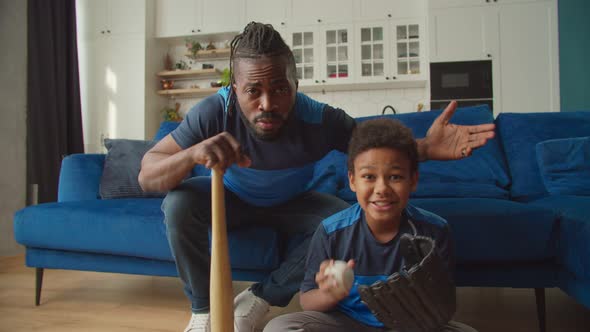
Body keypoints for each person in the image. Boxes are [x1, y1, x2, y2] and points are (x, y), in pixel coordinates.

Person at [138, 22, 494, 332]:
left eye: (279, 88)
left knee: (337, 220)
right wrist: (190, 155)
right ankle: (203, 310)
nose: (267, 104)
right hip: (234, 198)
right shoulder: (214, 112)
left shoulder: (321, 120)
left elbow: (376, 150)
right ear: (235, 90)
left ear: (296, 83)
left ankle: (261, 297)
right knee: (179, 202)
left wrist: (426, 148)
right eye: (253, 91)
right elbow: (147, 174)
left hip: (294, 202)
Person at [264, 119, 477, 332]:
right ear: (353, 181)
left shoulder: (435, 231)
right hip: (347, 323)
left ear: (413, 180)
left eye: (395, 176)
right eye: (369, 177)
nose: (382, 188)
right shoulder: (331, 231)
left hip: (411, 325)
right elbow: (307, 301)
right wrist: (330, 293)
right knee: (279, 328)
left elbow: (442, 303)